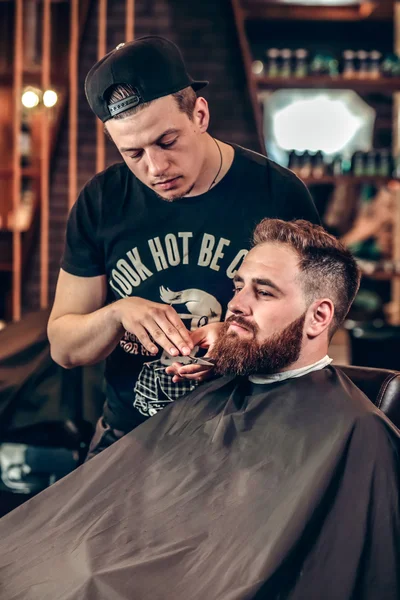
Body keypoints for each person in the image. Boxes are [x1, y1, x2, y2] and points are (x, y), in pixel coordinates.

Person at [1, 218, 398, 600]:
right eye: (238, 286)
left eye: (263, 292)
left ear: (319, 316)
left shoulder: (358, 432)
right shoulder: (218, 387)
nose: (236, 305)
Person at [47, 36, 319, 458]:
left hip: (246, 442)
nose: (155, 168)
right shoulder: (102, 201)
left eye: (167, 141)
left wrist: (233, 342)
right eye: (132, 153)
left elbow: (314, 330)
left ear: (200, 114)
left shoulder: (276, 194)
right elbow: (63, 346)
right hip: (129, 443)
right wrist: (118, 313)